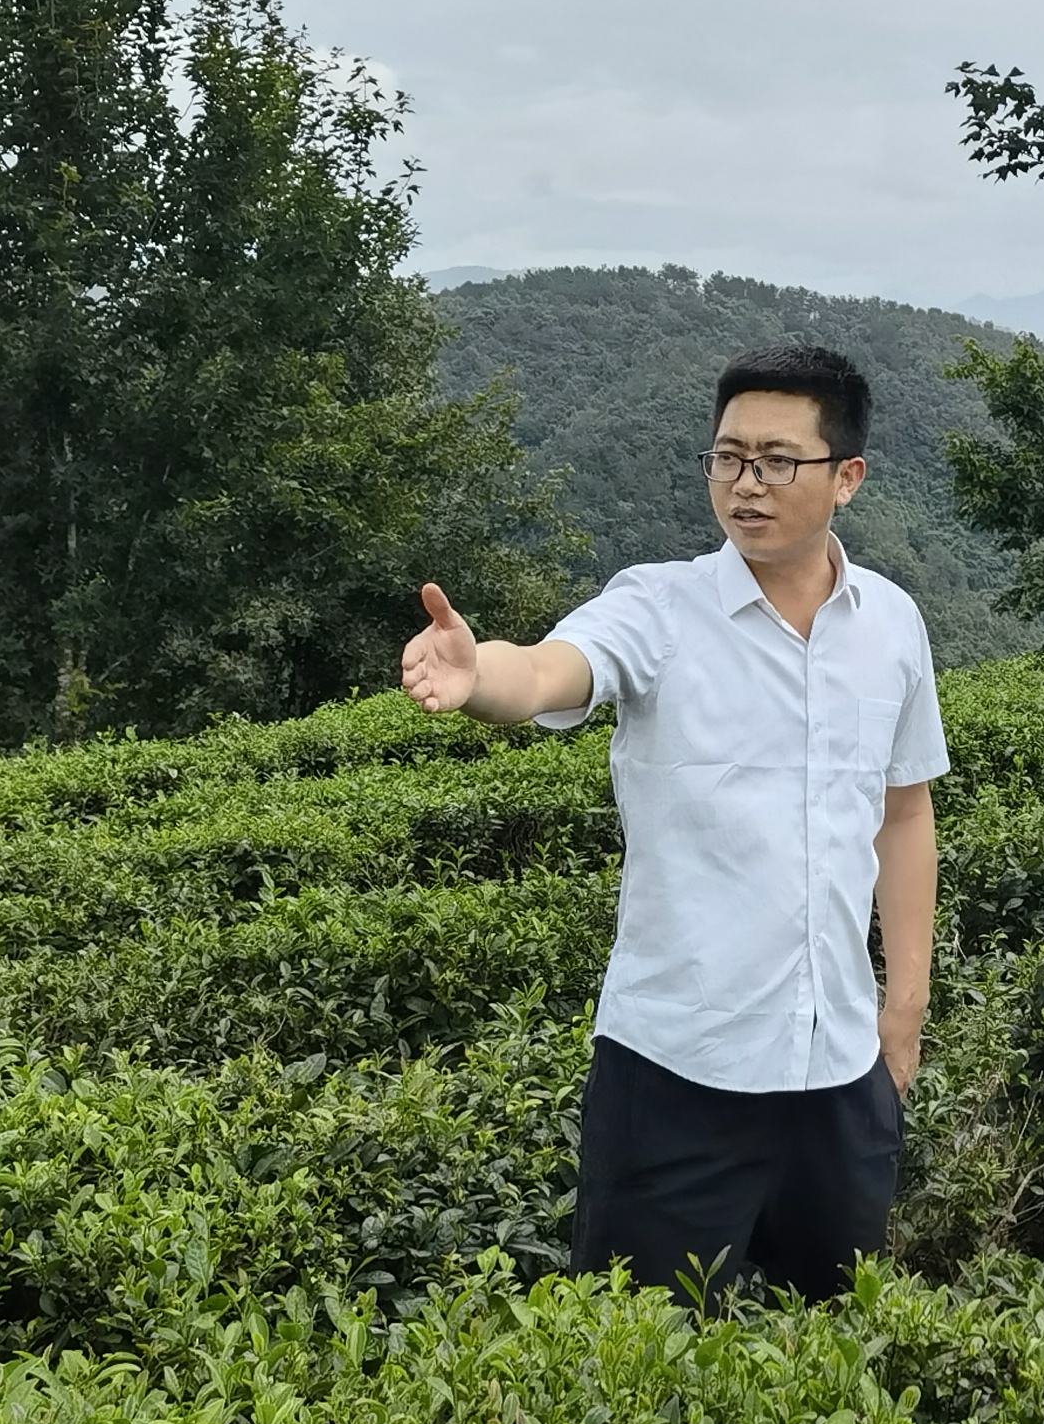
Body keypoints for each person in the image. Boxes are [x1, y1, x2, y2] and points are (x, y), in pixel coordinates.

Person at [398, 341, 944, 1302]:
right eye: (728, 457)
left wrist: (903, 1010)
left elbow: (903, 814)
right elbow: (552, 669)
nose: (747, 484)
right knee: (636, 1359)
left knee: (832, 1347)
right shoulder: (657, 608)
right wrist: (483, 676)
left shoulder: (893, 623)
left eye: (778, 461)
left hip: (841, 1075)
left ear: (847, 477)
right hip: (675, 1076)